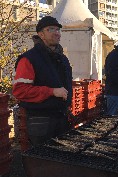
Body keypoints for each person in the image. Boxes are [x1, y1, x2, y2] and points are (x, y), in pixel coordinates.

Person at [12, 16, 73, 145]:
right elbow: (20, 91)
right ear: (41, 34)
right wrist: (51, 92)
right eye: (51, 29)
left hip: (61, 117)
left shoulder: (62, 58)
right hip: (41, 121)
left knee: (63, 160)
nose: (56, 32)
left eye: (58, 29)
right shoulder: (29, 59)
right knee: (43, 162)